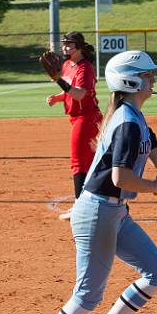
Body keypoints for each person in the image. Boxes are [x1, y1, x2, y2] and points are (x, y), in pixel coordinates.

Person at [21, 50, 157, 314]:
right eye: (147, 75)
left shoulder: (134, 118)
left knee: (156, 274)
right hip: (97, 212)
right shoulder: (126, 123)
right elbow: (121, 177)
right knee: (87, 294)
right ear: (130, 80)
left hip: (115, 212)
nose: (152, 80)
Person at [45, 32, 103, 220]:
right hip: (78, 117)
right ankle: (98, 202)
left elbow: (79, 95)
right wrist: (58, 98)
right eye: (64, 44)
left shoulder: (85, 68)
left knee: (79, 162)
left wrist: (57, 80)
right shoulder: (67, 65)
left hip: (87, 118)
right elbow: (70, 92)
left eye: (69, 44)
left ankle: (79, 206)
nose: (65, 47)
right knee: (92, 163)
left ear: (79, 46)